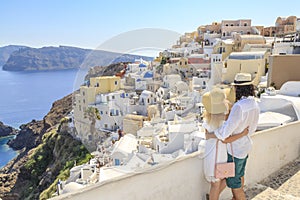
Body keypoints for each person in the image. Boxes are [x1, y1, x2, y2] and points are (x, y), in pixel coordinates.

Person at [213, 73, 260, 200]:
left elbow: (224, 133)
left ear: (237, 88)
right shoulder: (254, 104)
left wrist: (215, 132)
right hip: (245, 146)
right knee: (239, 176)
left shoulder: (239, 107)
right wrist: (243, 134)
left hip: (235, 150)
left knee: (235, 185)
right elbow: (253, 128)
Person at [200, 87, 249, 200]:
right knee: (220, 182)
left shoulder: (207, 121)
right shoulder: (225, 123)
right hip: (219, 157)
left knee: (217, 183)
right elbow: (226, 139)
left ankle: (212, 197)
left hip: (212, 157)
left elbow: (209, 136)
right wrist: (243, 134)